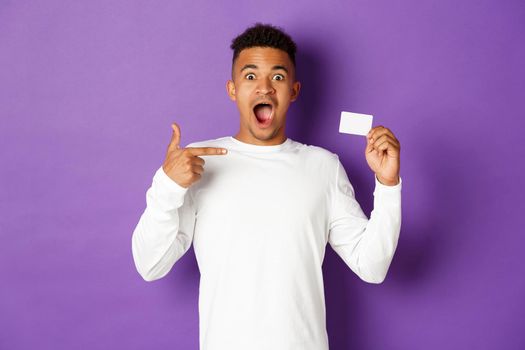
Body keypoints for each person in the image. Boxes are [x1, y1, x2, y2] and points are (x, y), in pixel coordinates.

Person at [132, 22, 402, 350]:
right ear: (232, 89)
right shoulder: (198, 163)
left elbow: (372, 266)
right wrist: (167, 185)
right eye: (250, 76)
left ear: (294, 90)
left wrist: (387, 185)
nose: (264, 88)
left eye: (277, 76)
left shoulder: (323, 167)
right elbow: (149, 265)